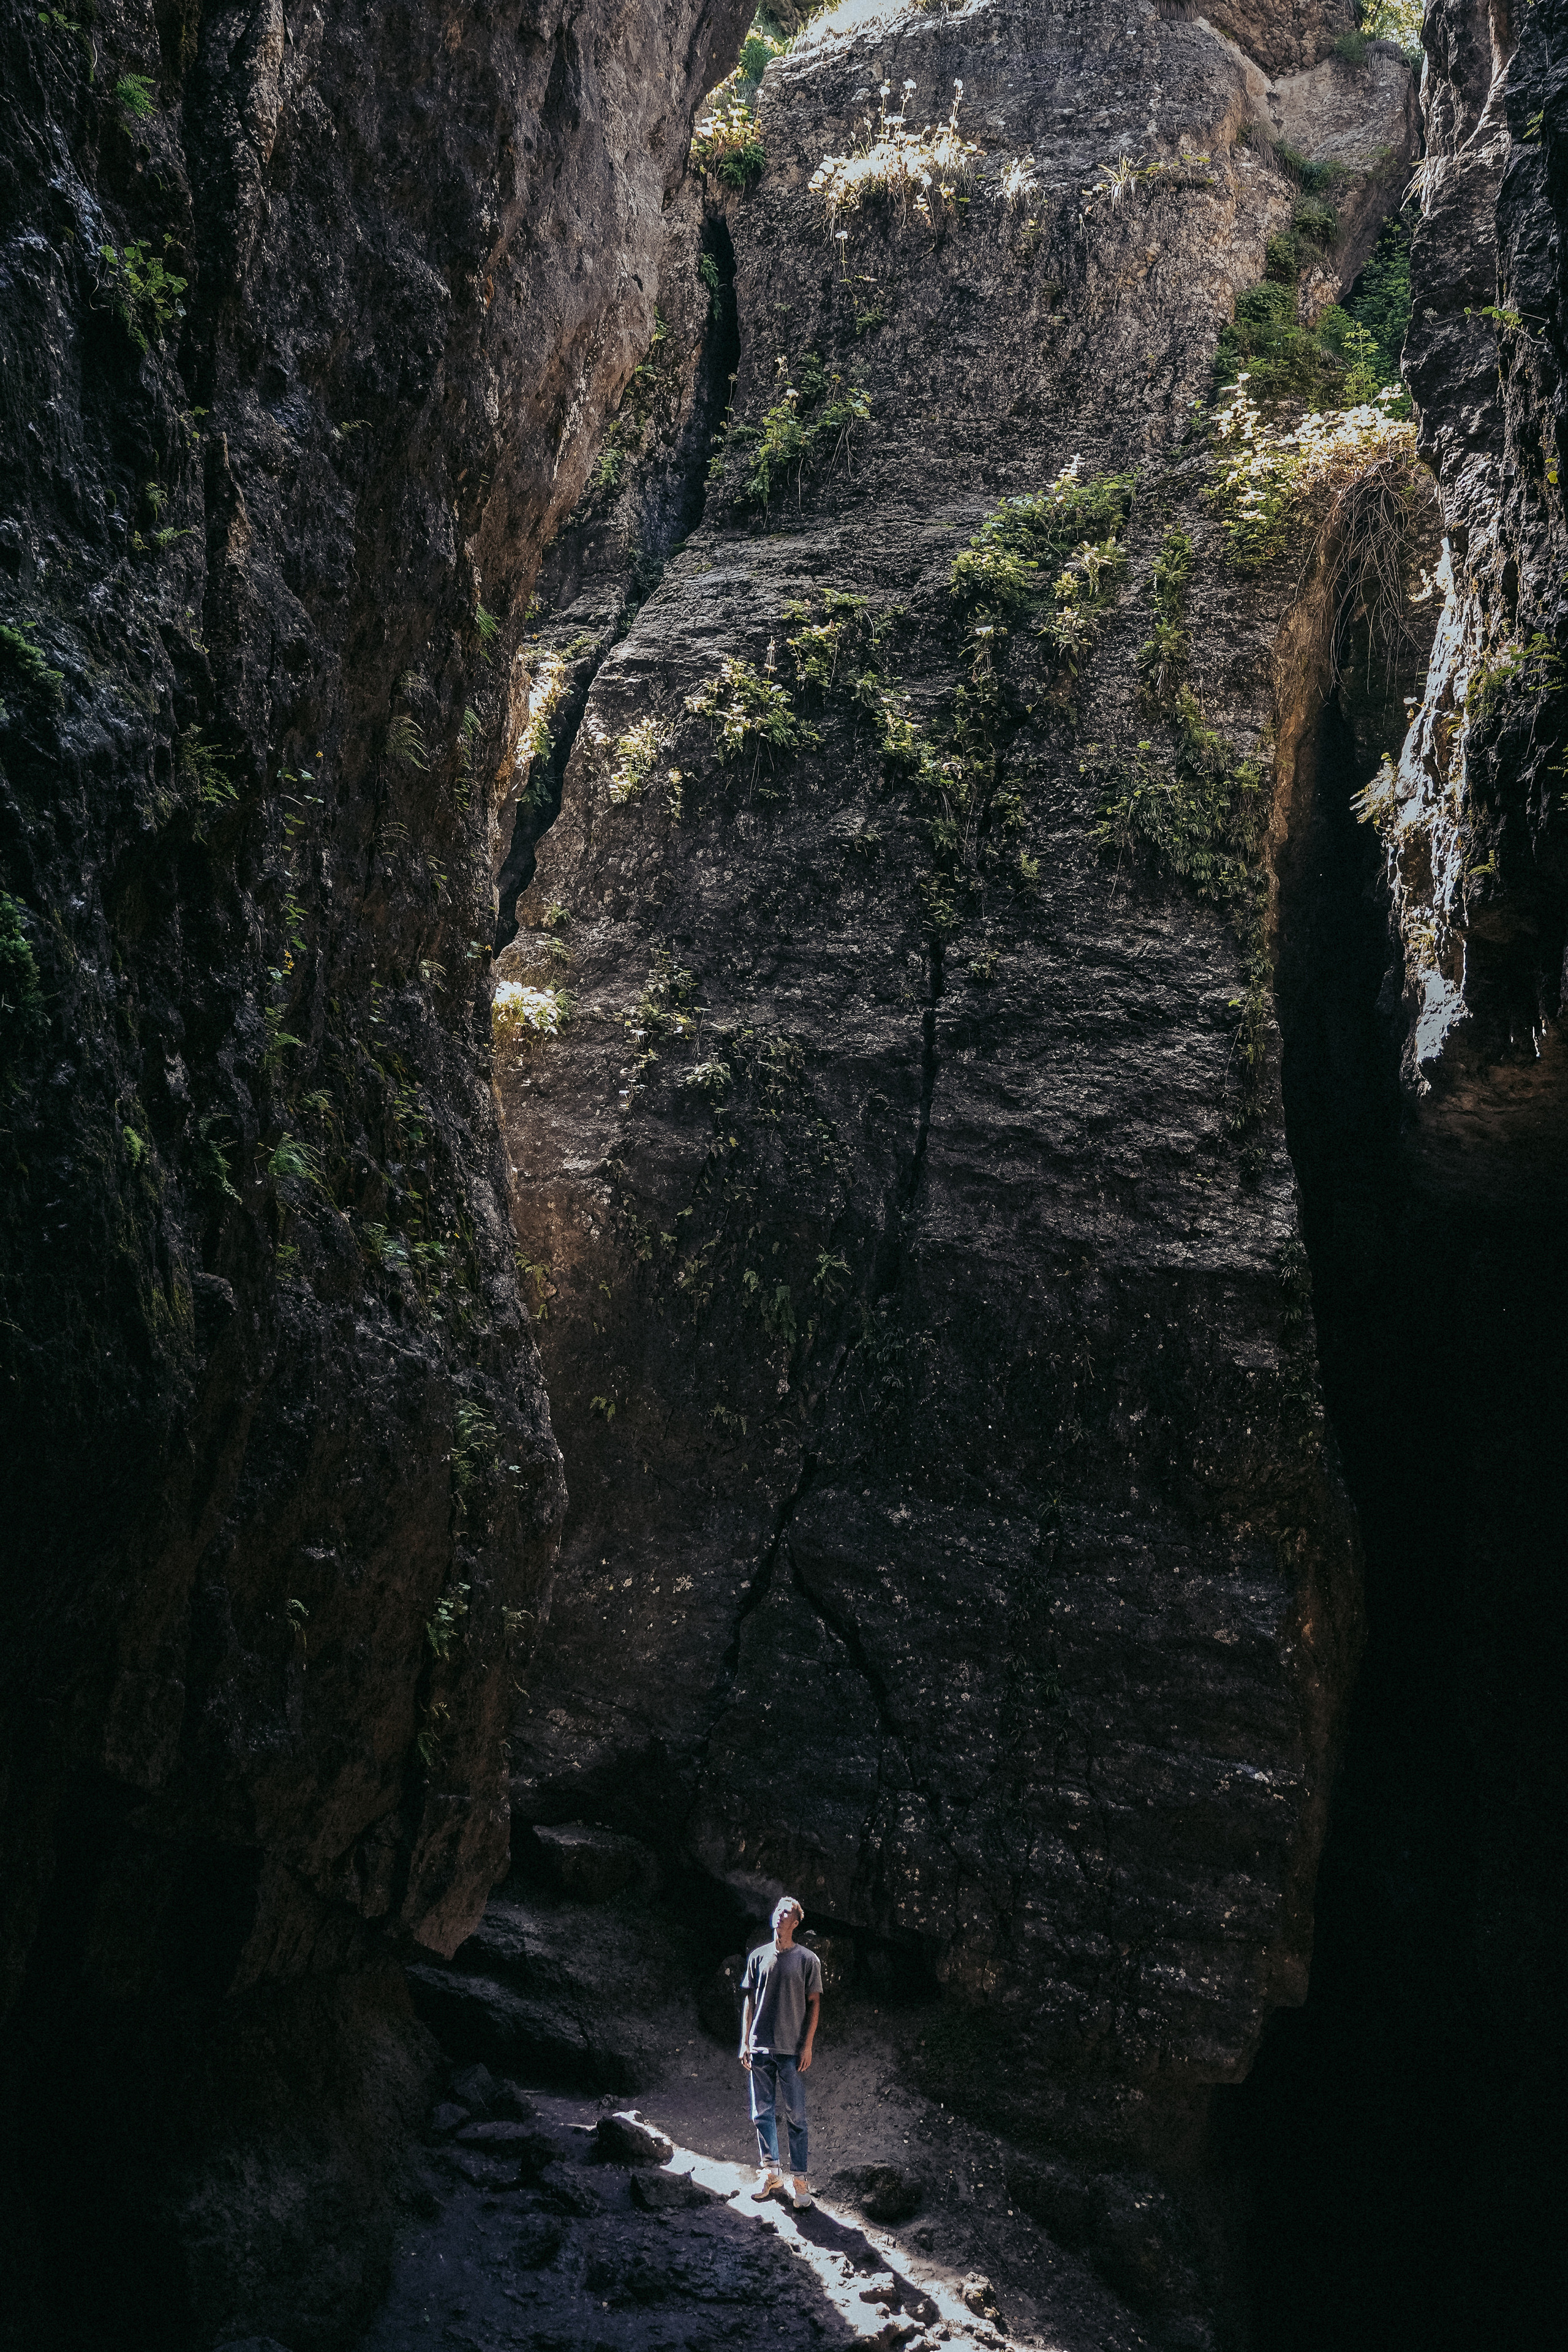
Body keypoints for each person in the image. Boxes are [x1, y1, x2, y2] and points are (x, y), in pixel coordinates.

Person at [739, 1895, 821, 2211]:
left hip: (790, 2049)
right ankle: (771, 2173)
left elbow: (815, 2003)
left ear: (796, 1923)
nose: (780, 1915)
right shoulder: (758, 1956)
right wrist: (745, 2041)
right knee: (762, 2113)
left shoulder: (807, 1960)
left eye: (787, 1912)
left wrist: (808, 2044)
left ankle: (800, 2179)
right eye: (778, 1910)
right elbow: (749, 1999)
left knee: (796, 2116)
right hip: (760, 2046)